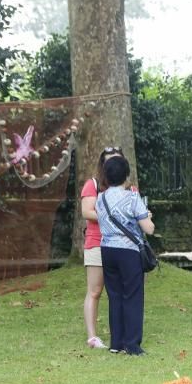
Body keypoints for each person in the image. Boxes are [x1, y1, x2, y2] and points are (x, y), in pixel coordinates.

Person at [96, 156, 154, 356]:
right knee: (133, 295)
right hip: (128, 250)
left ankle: (116, 343)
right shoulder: (131, 197)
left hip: (106, 249)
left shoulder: (100, 198)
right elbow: (149, 228)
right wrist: (148, 218)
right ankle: (132, 344)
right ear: (126, 175)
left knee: (115, 295)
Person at [79, 146, 128, 350]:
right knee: (95, 291)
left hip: (123, 245)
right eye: (109, 161)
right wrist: (113, 216)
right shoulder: (93, 185)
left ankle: (124, 333)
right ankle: (92, 337)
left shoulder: (129, 187)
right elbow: (87, 211)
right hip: (97, 243)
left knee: (122, 291)